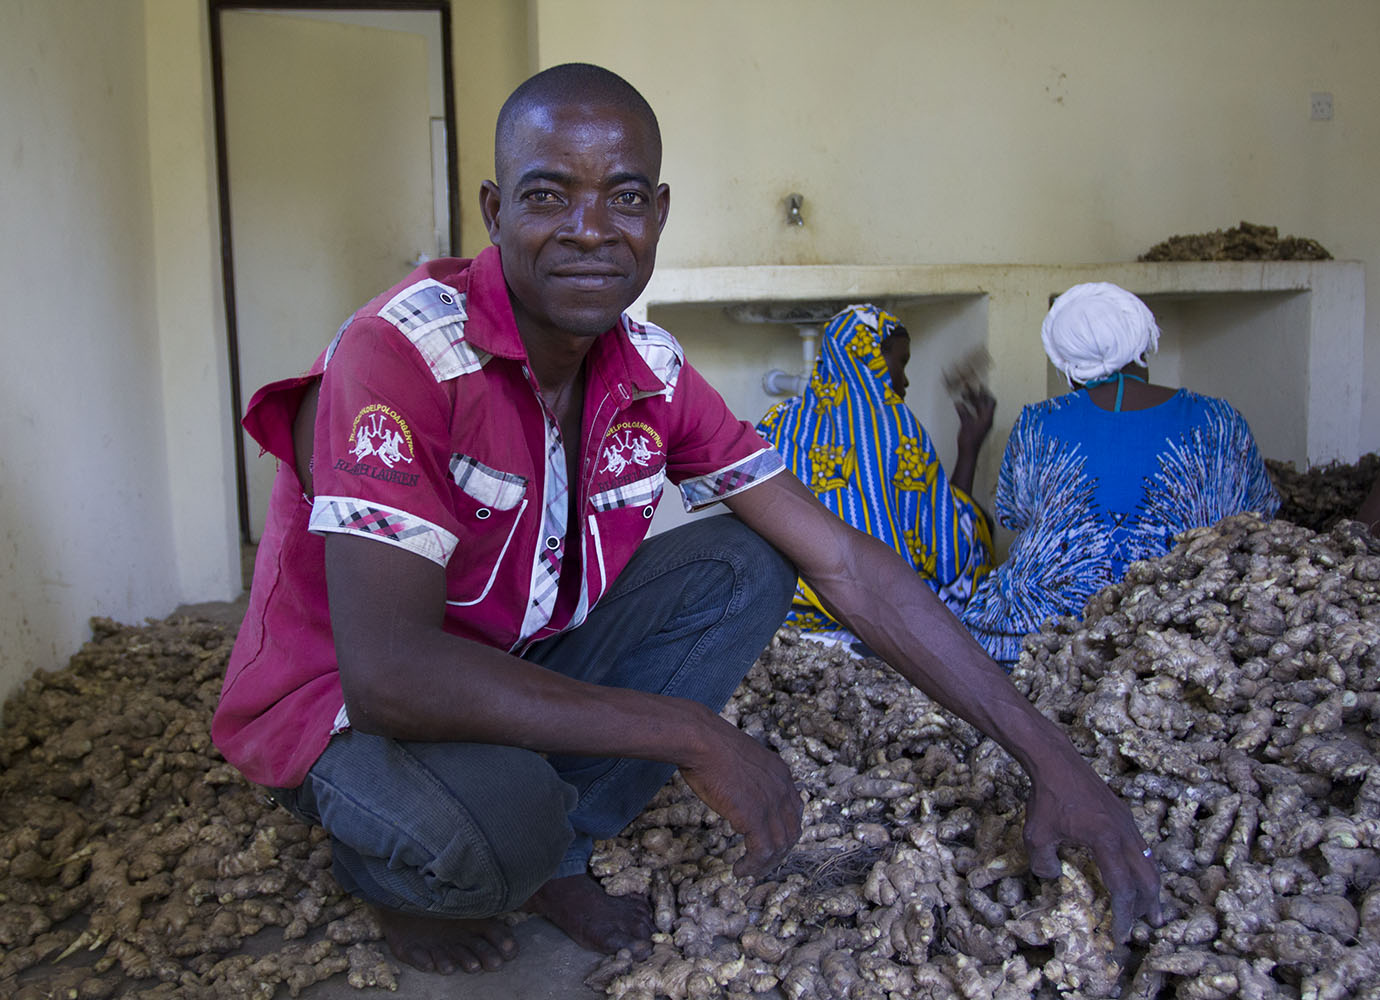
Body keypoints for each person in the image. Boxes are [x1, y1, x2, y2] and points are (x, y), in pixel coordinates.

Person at [211, 64, 1161, 977]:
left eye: (624, 198)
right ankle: (388, 867)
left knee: (750, 558)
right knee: (497, 834)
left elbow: (847, 566)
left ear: (658, 215)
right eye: (548, 197)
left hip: (504, 666)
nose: (590, 231)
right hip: (342, 709)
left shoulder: (650, 373)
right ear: (495, 214)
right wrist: (693, 734)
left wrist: (1051, 759)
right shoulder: (404, 352)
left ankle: (560, 850)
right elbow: (390, 676)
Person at [961, 281, 1281, 667]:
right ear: (1145, 344)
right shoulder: (1219, 420)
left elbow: (1015, 514)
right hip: (1183, 626)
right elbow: (1257, 518)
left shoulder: (1038, 423)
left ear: (1066, 364)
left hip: (1041, 634)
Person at [756, 304, 996, 640]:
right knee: (974, 522)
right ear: (873, 357)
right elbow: (943, 542)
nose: (906, 378)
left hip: (786, 614)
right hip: (883, 614)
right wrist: (969, 451)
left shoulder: (778, 420)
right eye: (902, 362)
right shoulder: (895, 426)